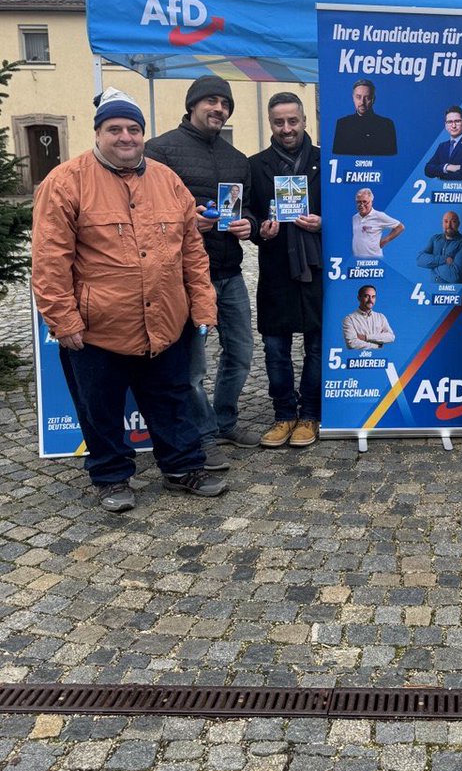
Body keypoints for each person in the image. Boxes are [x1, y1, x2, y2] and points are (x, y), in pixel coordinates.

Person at [31, 88, 227, 511]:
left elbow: (192, 251)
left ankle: (182, 467)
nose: (125, 137)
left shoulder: (167, 180)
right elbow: (49, 261)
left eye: (133, 129)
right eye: (114, 129)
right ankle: (111, 477)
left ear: (143, 134)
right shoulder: (65, 182)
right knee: (99, 408)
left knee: (172, 399)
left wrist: (202, 306)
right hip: (99, 328)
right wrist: (63, 321)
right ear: (98, 133)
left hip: (166, 322)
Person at [145, 76, 259, 466]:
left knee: (241, 353)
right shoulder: (158, 151)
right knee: (193, 365)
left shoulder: (236, 158)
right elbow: (141, 212)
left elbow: (250, 211)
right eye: (211, 101)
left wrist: (250, 225)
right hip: (183, 277)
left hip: (229, 271)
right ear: (192, 104)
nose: (219, 109)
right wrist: (185, 221)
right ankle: (202, 432)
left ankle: (225, 420)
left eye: (225, 104)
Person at [248, 93, 323, 449]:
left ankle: (309, 413)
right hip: (276, 269)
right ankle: (283, 415)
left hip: (316, 268)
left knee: (316, 346)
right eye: (279, 122)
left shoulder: (326, 162)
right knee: (275, 348)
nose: (287, 129)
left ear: (304, 121)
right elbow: (246, 213)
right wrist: (259, 227)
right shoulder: (255, 165)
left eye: (293, 121)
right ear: (270, 124)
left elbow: (346, 215)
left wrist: (322, 223)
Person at [332, 79, 397, 156]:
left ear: (373, 99)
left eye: (367, 98)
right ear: (353, 98)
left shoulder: (386, 125)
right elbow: (338, 156)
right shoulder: (342, 124)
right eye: (358, 97)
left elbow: (391, 158)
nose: (362, 102)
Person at [416, 211, 462, 284]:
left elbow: (456, 277)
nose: (449, 225)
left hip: (456, 292)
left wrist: (432, 264)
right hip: (432, 290)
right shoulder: (435, 239)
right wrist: (444, 259)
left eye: (453, 221)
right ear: (442, 223)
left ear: (458, 224)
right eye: (446, 221)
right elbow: (419, 260)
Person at [424, 107, 462, 180]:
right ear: (446, 125)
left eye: (457, 121)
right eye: (450, 122)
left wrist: (439, 172)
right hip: (442, 189)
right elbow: (428, 170)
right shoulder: (442, 146)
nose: (453, 126)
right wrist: (447, 167)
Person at [351, 188, 404, 258]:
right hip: (357, 259)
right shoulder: (355, 218)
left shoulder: (379, 216)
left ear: (371, 201)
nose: (361, 204)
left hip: (374, 259)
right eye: (359, 202)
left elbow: (400, 227)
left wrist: (385, 240)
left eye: (365, 202)